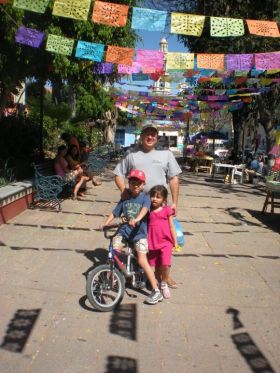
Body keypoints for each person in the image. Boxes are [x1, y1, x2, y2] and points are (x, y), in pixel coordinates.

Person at [113, 123, 182, 288]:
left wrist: (175, 203)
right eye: (146, 134)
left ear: (157, 138)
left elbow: (174, 179)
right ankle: (143, 270)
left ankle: (164, 276)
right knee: (141, 238)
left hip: (159, 207)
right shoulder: (132, 156)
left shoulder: (166, 155)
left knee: (164, 241)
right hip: (138, 206)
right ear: (141, 136)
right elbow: (117, 174)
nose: (150, 137)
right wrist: (124, 191)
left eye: (153, 134)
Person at [100, 169, 163, 305]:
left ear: (142, 185)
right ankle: (110, 279)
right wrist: (105, 223)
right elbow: (115, 212)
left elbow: (145, 209)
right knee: (112, 252)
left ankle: (156, 291)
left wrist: (137, 218)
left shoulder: (145, 197)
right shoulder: (125, 197)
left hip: (139, 234)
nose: (135, 184)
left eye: (138, 182)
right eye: (132, 181)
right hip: (124, 232)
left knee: (142, 260)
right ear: (129, 183)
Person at [148, 185, 178, 299]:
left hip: (166, 242)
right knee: (152, 266)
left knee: (165, 264)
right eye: (153, 196)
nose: (154, 199)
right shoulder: (148, 210)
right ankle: (155, 284)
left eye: (158, 197)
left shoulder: (167, 210)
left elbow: (171, 227)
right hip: (152, 242)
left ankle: (164, 284)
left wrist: (175, 241)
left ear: (164, 200)